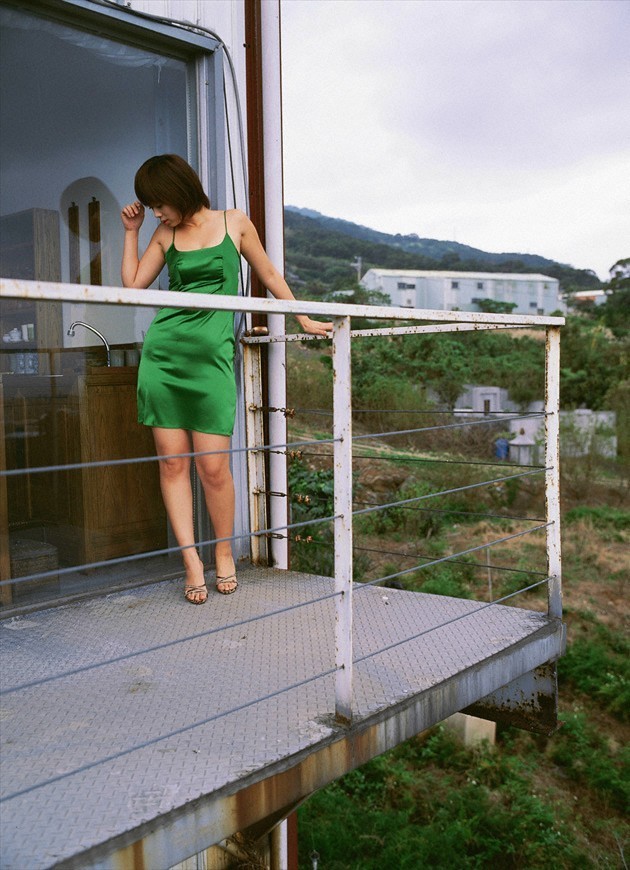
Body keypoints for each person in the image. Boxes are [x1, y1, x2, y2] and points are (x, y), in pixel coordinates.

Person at [121, 154, 331, 604]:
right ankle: (191, 562)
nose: (156, 212)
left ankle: (222, 552)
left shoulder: (234, 222)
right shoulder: (163, 234)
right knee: (173, 465)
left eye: (158, 203)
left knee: (213, 468)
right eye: (150, 206)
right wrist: (131, 233)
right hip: (164, 357)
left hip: (212, 361)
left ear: (177, 191)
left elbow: (268, 273)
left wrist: (303, 318)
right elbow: (133, 287)